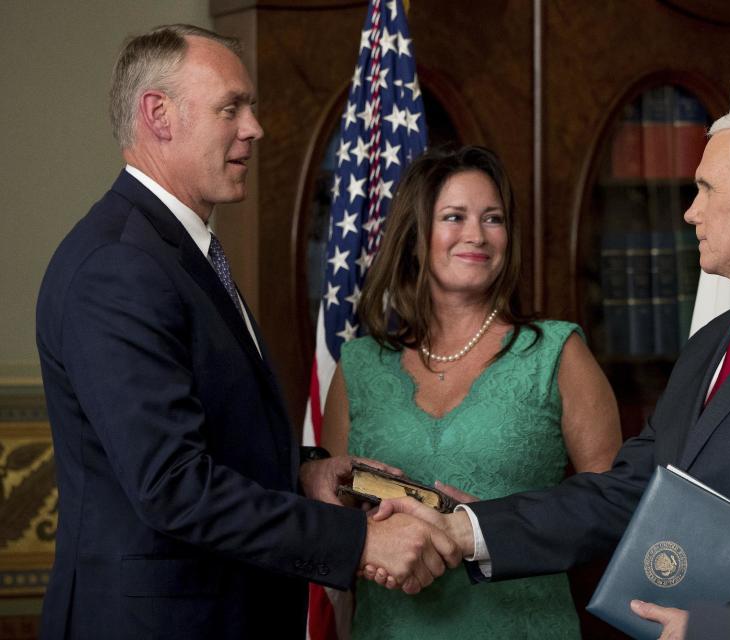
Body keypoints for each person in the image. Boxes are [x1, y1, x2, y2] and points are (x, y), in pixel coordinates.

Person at [370, 107, 730, 639]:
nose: (691, 210)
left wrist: (723, 626)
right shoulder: (712, 344)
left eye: (706, 189)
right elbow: (628, 492)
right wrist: (464, 527)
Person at [35, 24, 458, 639]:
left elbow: (215, 437)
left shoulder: (175, 251)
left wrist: (306, 473)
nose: (255, 128)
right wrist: (359, 540)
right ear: (158, 114)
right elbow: (174, 485)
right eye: (231, 107)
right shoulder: (120, 266)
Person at [320, 145, 622, 639]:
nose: (476, 235)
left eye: (493, 219)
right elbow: (335, 513)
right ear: (416, 237)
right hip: (391, 626)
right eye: (454, 217)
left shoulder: (556, 353)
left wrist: (493, 528)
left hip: (522, 626)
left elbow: (609, 504)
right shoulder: (359, 365)